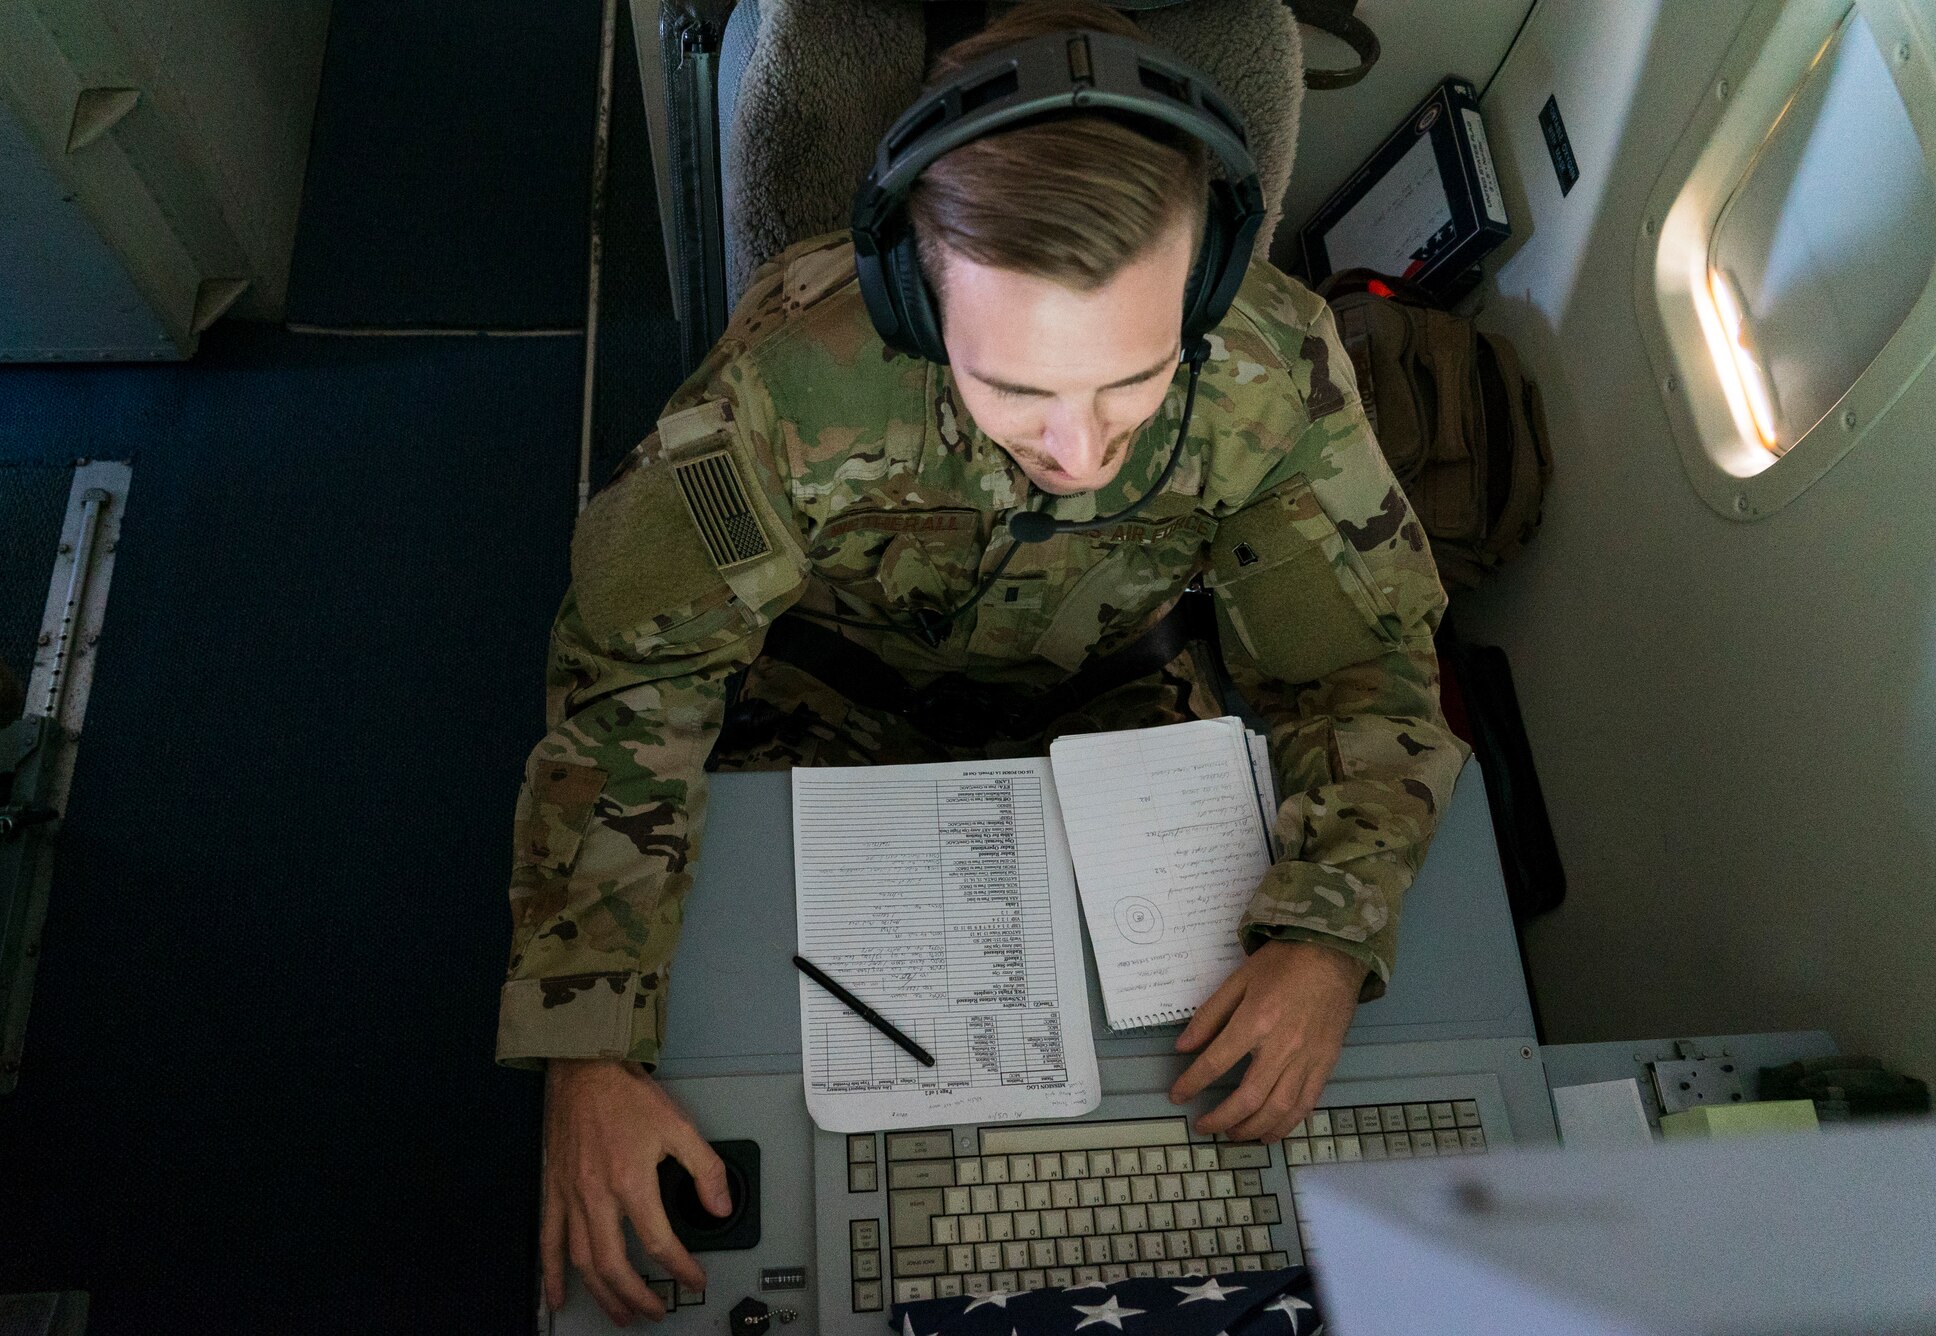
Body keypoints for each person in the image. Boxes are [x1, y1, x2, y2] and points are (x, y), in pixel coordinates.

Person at [498, 1, 1470, 1324]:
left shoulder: (1272, 371)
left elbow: (1364, 671)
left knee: (1168, 1114)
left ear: (1209, 279)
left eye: (1134, 380)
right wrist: (589, 1049)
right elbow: (637, 683)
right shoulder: (786, 389)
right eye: (1014, 389)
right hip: (823, 706)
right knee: (782, 1119)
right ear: (911, 293)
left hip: (1112, 708)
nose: (1080, 452)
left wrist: (1327, 932)